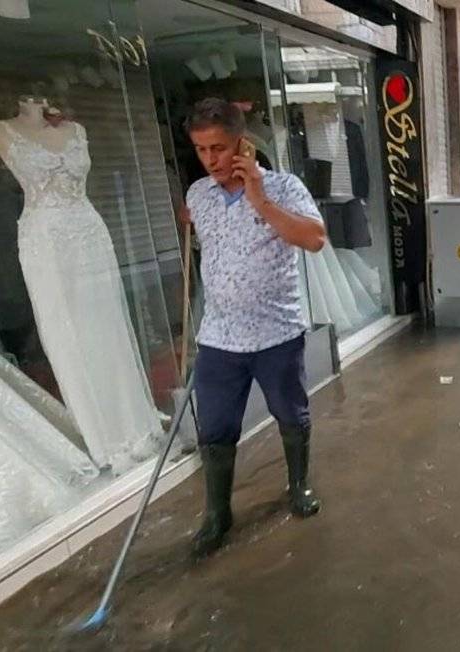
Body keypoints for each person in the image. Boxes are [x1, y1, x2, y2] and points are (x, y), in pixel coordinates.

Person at [183, 98, 328, 559]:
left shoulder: (284, 187)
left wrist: (259, 199)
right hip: (219, 338)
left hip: (276, 333)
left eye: (220, 148)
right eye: (202, 150)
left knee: (291, 414)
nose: (211, 160)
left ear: (242, 144)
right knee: (216, 429)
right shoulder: (198, 195)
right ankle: (217, 513)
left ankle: (298, 484)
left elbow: (314, 240)